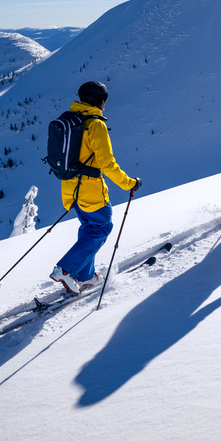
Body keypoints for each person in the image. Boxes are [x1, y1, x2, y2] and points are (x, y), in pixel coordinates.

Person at [50, 81, 141, 294]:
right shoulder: (94, 124)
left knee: (89, 229)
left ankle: (86, 276)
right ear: (101, 101)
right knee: (101, 228)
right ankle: (66, 269)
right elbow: (107, 163)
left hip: (70, 189)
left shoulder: (70, 119)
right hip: (90, 190)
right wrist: (130, 183)